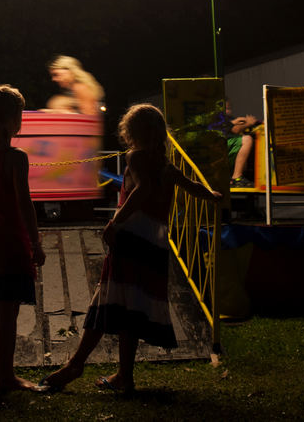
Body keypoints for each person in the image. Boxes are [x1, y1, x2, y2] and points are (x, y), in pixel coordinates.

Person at [40, 104, 220, 394]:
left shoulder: (134, 157)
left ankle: (77, 364)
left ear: (131, 131)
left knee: (107, 299)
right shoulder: (168, 168)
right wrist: (211, 195)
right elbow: (193, 187)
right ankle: (123, 375)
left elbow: (143, 190)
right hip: (155, 242)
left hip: (132, 236)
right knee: (130, 306)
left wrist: (114, 221)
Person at [0, 85, 47, 393]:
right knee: (8, 311)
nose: (21, 119)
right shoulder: (16, 157)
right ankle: (7, 375)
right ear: (7, 118)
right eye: (19, 113)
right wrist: (35, 242)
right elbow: (23, 203)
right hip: (9, 241)